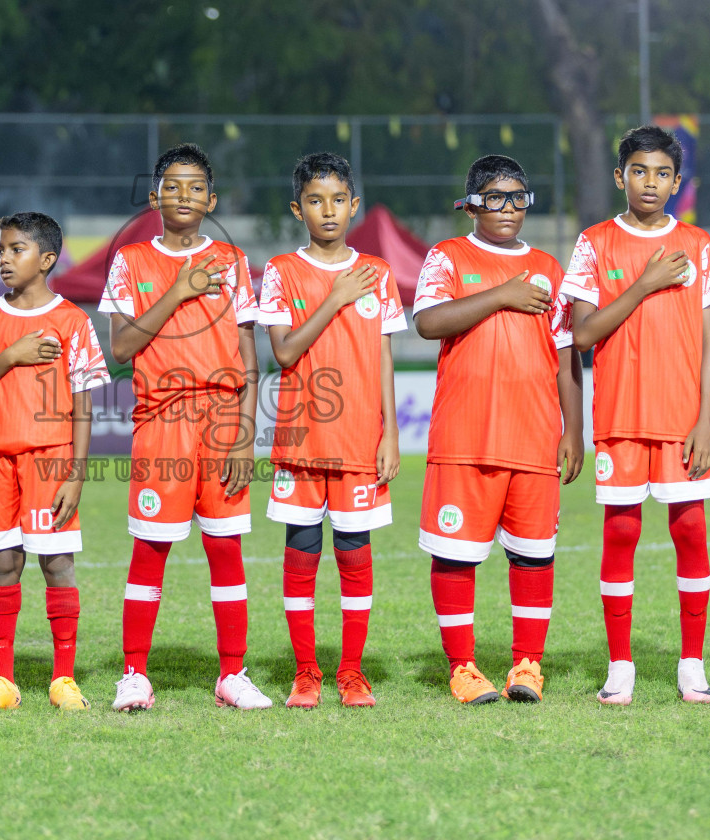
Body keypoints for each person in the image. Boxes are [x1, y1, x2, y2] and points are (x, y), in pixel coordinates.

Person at [99, 143, 271, 712]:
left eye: (196, 187)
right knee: (151, 548)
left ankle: (232, 675)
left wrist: (246, 433)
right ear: (154, 196)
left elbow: (249, 351)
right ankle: (134, 675)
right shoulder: (130, 260)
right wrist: (180, 289)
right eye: (172, 185)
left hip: (223, 419)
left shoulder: (233, 259)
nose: (184, 196)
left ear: (212, 199)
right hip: (163, 418)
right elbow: (121, 346)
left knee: (227, 549)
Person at [560, 125, 710, 705]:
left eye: (661, 173)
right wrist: (645, 282)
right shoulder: (595, 242)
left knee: (691, 531)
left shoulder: (699, 245)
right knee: (621, 531)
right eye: (638, 171)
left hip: (682, 420)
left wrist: (706, 420)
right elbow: (581, 336)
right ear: (619, 176)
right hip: (622, 417)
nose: (649, 182)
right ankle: (621, 666)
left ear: (677, 182)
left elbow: (708, 341)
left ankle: (692, 665)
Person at [414, 155, 583, 705]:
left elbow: (566, 359)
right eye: (495, 196)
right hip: (465, 435)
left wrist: (573, 430)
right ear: (472, 203)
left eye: (518, 197)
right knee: (456, 554)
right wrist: (503, 295)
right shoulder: (448, 256)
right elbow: (428, 322)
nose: (508, 207)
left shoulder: (550, 269)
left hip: (534, 437)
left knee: (533, 555)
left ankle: (527, 666)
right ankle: (462, 667)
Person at [258, 153, 403, 709]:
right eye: (315, 201)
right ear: (298, 209)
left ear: (354, 205)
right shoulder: (282, 270)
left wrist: (389, 434)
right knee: (301, 553)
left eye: (338, 200)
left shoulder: (378, 273)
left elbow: (385, 356)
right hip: (301, 441)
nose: (328, 211)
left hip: (360, 441)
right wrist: (336, 297)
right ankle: (305, 673)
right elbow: (285, 350)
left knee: (354, 553)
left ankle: (350, 673)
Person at [0, 212, 110, 713]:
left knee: (57, 564)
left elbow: (84, 406)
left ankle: (63, 679)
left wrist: (77, 475)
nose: (3, 259)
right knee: (4, 564)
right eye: (1, 250)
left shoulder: (72, 321)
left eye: (16, 250)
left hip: (51, 461)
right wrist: (11, 356)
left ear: (46, 259)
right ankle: (3, 680)